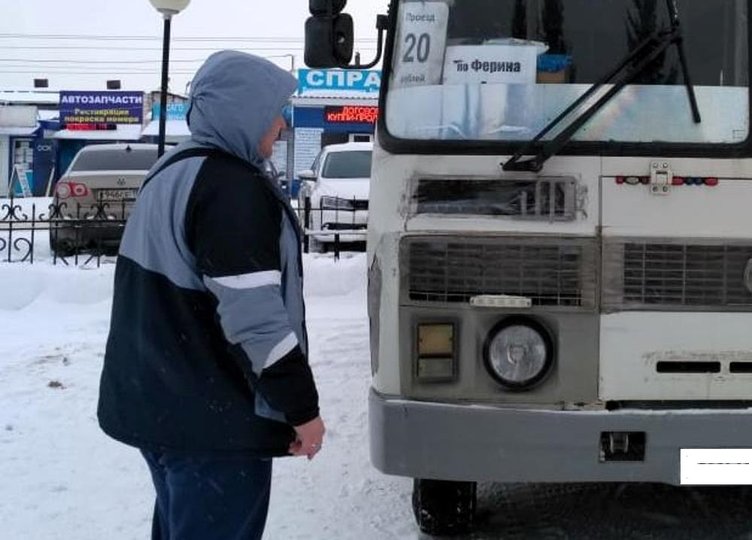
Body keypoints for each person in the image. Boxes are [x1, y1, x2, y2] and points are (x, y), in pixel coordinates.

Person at [97, 51, 325, 540]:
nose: (282, 127)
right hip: (212, 422)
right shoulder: (230, 190)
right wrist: (302, 411)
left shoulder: (172, 169)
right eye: (274, 111)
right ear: (242, 111)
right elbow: (257, 320)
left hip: (164, 408)